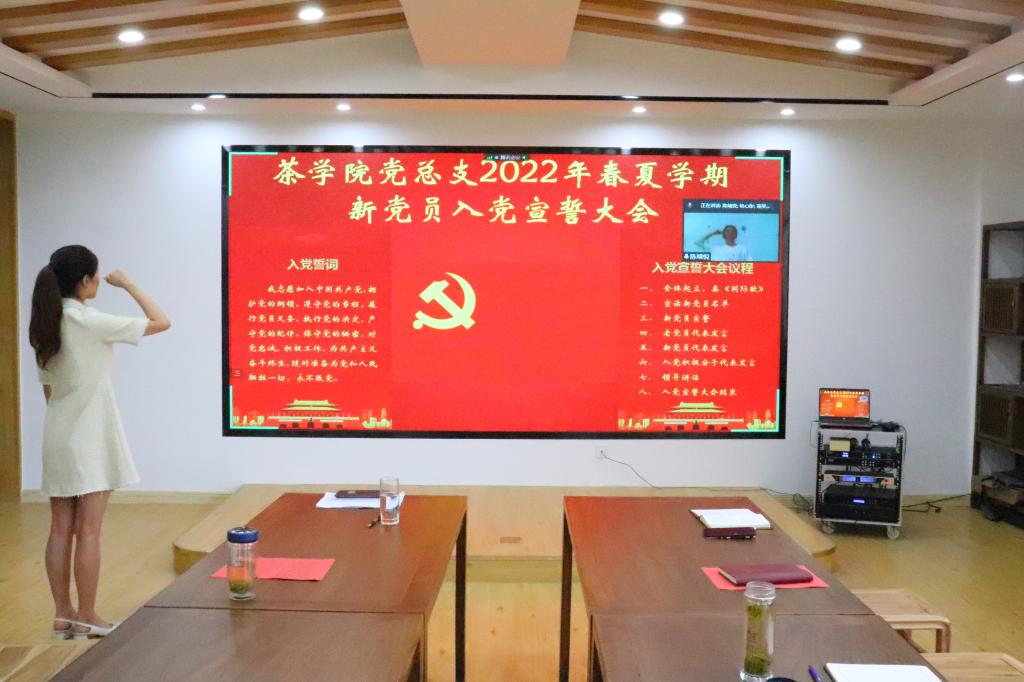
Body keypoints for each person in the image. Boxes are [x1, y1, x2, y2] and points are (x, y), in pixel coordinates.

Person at [28, 245, 170, 640]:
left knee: (60, 528)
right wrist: (129, 284)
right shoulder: (88, 320)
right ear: (85, 280)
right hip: (90, 436)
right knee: (88, 530)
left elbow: (48, 390)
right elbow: (161, 321)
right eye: (97, 277)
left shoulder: (45, 323)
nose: (99, 282)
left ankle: (63, 614)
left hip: (58, 434)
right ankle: (88, 615)